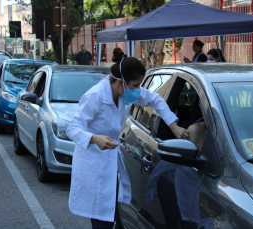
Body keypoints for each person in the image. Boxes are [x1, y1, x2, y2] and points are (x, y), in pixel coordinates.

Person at [66, 47, 189, 229]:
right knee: (101, 221)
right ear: (120, 82)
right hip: (92, 167)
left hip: (110, 166)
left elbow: (155, 99)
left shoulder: (123, 93)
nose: (137, 90)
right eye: (135, 86)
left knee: (111, 216)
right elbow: (72, 128)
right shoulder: (95, 96)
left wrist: (173, 125)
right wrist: (94, 138)